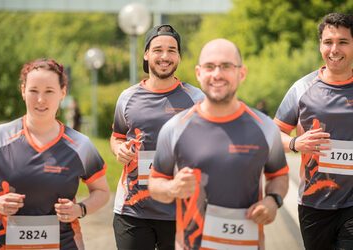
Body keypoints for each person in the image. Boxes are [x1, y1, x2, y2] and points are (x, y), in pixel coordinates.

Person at [148, 38, 289, 250]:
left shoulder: (265, 127)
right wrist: (172, 188)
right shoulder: (174, 128)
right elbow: (155, 184)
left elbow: (279, 176)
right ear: (198, 73)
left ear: (241, 73)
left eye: (226, 66)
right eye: (209, 67)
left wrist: (273, 200)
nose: (217, 74)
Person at [0, 59, 110, 249]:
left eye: (49, 91)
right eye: (33, 91)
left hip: (64, 244)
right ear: (23, 91)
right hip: (3, 244)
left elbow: (102, 191)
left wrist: (79, 209)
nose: (40, 99)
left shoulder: (81, 145)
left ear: (62, 93)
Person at [110, 24, 204, 250]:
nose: (165, 56)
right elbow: (117, 137)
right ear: (146, 54)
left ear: (179, 56)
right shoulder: (127, 97)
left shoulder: (196, 99)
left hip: (180, 211)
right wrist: (119, 149)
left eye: (172, 50)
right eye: (158, 50)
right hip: (132, 211)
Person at [274, 13, 353, 250]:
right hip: (314, 203)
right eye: (328, 42)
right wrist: (295, 143)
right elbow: (272, 132)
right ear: (320, 45)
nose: (334, 49)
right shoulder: (302, 88)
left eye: (343, 42)